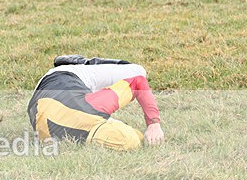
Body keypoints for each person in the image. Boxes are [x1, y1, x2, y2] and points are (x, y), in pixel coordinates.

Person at [27, 55, 164, 151]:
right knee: (138, 71)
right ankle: (83, 62)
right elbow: (139, 80)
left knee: (136, 74)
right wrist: (154, 124)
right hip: (37, 101)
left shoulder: (95, 108)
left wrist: (153, 125)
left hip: (58, 79)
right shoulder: (80, 141)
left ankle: (84, 65)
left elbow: (137, 83)